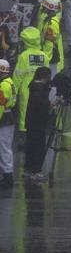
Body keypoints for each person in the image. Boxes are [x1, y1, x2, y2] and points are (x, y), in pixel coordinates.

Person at [21, 66, 54, 186]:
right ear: (45, 76)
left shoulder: (33, 86)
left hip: (31, 122)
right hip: (38, 123)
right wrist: (51, 104)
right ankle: (35, 171)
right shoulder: (39, 89)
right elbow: (42, 105)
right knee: (38, 147)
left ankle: (28, 169)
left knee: (30, 146)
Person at [0, 59, 14, 192]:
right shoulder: (8, 82)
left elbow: (1, 105)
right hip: (8, 118)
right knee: (5, 147)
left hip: (4, 119)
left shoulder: (3, 86)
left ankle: (8, 175)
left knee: (4, 147)